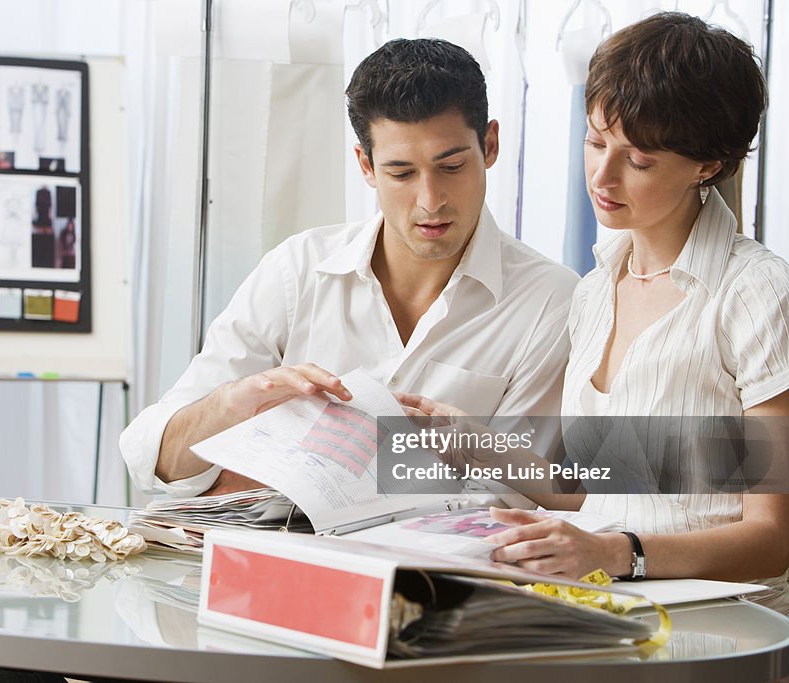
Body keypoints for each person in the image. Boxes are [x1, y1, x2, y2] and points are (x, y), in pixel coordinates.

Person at [407, 13, 789, 612]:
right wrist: (478, 444)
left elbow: (771, 541)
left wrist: (616, 553)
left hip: (726, 627)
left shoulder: (755, 293)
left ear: (708, 164)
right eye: (594, 141)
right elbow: (606, 496)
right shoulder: (595, 289)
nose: (602, 175)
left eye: (638, 160)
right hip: (612, 609)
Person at [120, 38, 578, 502]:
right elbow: (153, 461)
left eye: (452, 166)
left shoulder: (550, 301)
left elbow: (510, 497)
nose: (430, 201)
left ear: (491, 145)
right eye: (401, 174)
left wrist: (296, 480)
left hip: (433, 571)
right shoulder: (297, 269)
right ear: (366, 165)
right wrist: (230, 404)